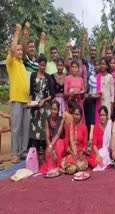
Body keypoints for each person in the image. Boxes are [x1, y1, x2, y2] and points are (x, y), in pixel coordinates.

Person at [6, 23, 30, 163]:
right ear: (14, 52)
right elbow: (12, 48)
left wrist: (25, 34)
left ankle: (23, 151)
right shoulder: (11, 62)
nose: (20, 51)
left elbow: (24, 47)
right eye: (18, 49)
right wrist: (17, 32)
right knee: (15, 127)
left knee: (25, 128)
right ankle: (14, 153)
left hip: (26, 100)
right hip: (16, 99)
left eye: (21, 50)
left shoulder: (21, 64)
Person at [29, 55, 54, 153]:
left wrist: (44, 100)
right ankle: (34, 151)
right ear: (38, 64)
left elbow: (52, 94)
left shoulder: (48, 77)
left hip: (45, 107)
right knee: (35, 129)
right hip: (35, 107)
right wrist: (30, 103)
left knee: (44, 128)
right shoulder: (33, 75)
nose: (43, 67)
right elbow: (31, 91)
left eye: (44, 65)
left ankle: (43, 150)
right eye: (41, 65)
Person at [62, 105, 88, 174]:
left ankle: (75, 165)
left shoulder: (84, 128)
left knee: (81, 166)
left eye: (78, 114)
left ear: (81, 116)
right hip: (71, 152)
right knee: (71, 169)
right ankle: (70, 163)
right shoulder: (68, 126)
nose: (76, 116)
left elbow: (85, 144)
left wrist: (82, 153)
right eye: (74, 114)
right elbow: (66, 144)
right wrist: (73, 154)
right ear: (72, 115)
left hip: (80, 154)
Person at [40, 101, 65, 173]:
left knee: (58, 145)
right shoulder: (47, 120)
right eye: (52, 109)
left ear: (58, 110)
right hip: (51, 142)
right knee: (49, 153)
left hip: (59, 140)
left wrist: (52, 148)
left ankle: (58, 165)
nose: (53, 111)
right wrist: (51, 148)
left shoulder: (61, 119)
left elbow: (58, 135)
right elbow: (47, 137)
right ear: (50, 109)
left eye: (55, 109)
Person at [64, 60, 85, 124]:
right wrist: (71, 93)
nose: (74, 69)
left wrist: (80, 93)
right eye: (72, 67)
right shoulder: (67, 78)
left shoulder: (81, 79)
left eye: (76, 67)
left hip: (79, 103)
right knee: (70, 122)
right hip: (71, 104)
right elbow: (65, 94)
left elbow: (83, 93)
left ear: (78, 69)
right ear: (70, 68)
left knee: (79, 123)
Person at [95, 58, 114, 122]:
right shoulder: (97, 77)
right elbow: (95, 91)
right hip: (99, 102)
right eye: (101, 64)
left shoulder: (110, 77)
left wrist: (111, 106)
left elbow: (112, 93)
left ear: (107, 66)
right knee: (100, 119)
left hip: (107, 102)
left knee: (107, 119)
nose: (102, 66)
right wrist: (97, 93)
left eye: (103, 64)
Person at [85, 59, 99, 132]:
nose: (97, 67)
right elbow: (89, 90)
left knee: (99, 118)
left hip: (99, 101)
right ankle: (91, 138)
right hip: (92, 101)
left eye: (98, 65)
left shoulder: (102, 77)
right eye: (95, 65)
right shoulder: (91, 77)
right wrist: (88, 95)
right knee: (91, 120)